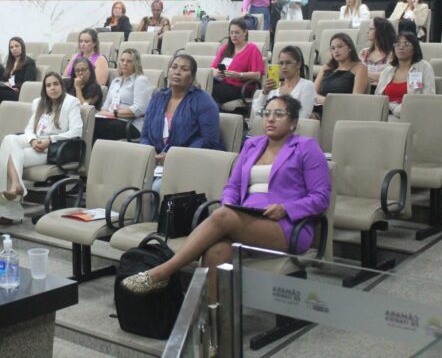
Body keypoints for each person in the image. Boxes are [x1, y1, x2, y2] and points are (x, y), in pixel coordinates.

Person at [122, 95, 330, 301]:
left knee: (223, 216)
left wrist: (286, 208)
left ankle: (163, 271)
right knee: (216, 251)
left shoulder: (306, 148)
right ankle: (215, 321)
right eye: (267, 113)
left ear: (293, 122)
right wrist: (229, 202)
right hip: (246, 218)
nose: (271, 119)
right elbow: (233, 186)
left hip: (286, 225)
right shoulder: (252, 146)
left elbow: (321, 197)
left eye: (279, 114)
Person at [0, 72, 82, 224]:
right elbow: (29, 129)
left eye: (55, 84)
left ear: (61, 85)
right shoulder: (39, 103)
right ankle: (16, 185)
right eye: (48, 85)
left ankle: (9, 211)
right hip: (36, 142)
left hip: (55, 148)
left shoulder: (71, 102)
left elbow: (76, 131)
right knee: (9, 140)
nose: (52, 88)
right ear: (44, 89)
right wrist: (33, 140)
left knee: (6, 157)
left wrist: (50, 139)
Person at [141, 54, 223, 193]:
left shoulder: (203, 101)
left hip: (190, 163)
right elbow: (145, 134)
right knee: (128, 182)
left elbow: (209, 140)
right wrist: (150, 154)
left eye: (184, 69)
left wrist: (175, 157)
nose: (177, 72)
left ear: (192, 76)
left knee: (154, 189)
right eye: (174, 67)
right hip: (157, 163)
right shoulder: (158, 98)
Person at [93, 48, 152, 141]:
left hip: (132, 124)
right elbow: (105, 108)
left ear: (136, 64)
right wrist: (105, 114)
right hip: (112, 120)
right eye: (122, 60)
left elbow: (139, 109)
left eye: (129, 61)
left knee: (95, 126)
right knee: (89, 122)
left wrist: (115, 114)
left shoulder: (140, 80)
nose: (124, 63)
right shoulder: (115, 81)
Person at [375, 32, 435, 118]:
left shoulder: (423, 67)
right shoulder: (387, 71)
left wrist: (397, 109)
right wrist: (391, 108)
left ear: (415, 48)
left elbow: (428, 97)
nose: (401, 47)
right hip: (386, 114)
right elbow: (378, 97)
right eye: (397, 44)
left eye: (407, 44)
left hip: (412, 115)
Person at [210, 18, 265, 105]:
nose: (233, 35)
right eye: (231, 32)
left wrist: (239, 75)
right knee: (202, 85)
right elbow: (211, 69)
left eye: (237, 32)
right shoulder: (225, 48)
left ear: (245, 32)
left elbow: (257, 75)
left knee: (212, 90)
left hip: (240, 87)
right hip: (222, 82)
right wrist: (216, 72)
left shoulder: (252, 49)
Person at [253, 45, 316, 119]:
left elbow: (302, 116)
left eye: (288, 63)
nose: (284, 67)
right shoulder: (274, 87)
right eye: (281, 63)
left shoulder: (307, 86)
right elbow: (257, 111)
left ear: (298, 64)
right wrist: (265, 93)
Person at [314, 33, 368, 105]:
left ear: (350, 48)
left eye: (340, 46)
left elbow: (356, 98)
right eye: (333, 48)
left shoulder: (360, 67)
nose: (336, 51)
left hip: (342, 110)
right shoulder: (326, 67)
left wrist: (328, 102)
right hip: (320, 108)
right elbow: (312, 93)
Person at [0, 37, 37, 106]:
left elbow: (27, 83)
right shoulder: (10, 62)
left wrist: (11, 84)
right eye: (11, 47)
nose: (14, 49)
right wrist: (4, 83)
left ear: (22, 47)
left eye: (16, 46)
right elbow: (4, 78)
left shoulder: (29, 62)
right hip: (7, 90)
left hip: (19, 93)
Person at [359, 17, 396, 85]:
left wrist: (364, 74)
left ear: (380, 31)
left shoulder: (393, 55)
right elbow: (357, 73)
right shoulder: (363, 53)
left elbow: (388, 76)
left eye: (371, 29)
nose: (367, 32)